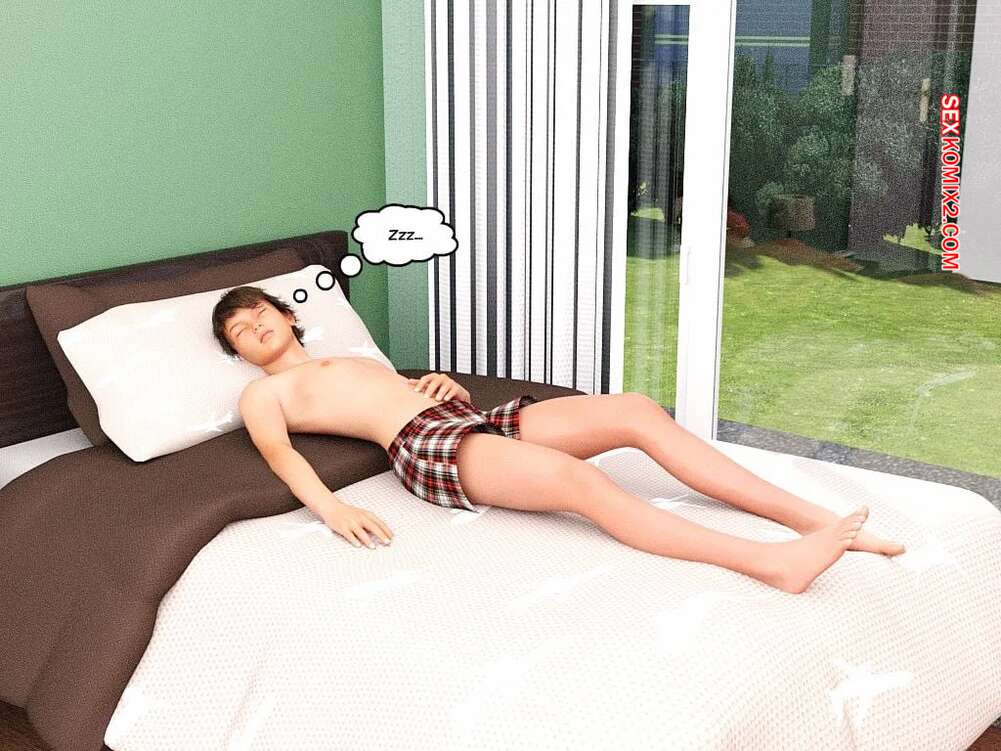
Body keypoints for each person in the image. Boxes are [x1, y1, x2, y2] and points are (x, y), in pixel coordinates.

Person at [212, 285, 905, 594]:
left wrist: (441, 384)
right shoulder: (263, 394)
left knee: (635, 410)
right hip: (423, 449)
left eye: (258, 312)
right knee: (583, 483)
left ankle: (814, 519)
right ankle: (773, 564)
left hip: (459, 420)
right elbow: (282, 453)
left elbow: (393, 391)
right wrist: (332, 508)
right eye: (238, 332)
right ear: (239, 354)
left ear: (288, 315)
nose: (253, 327)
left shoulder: (354, 359)